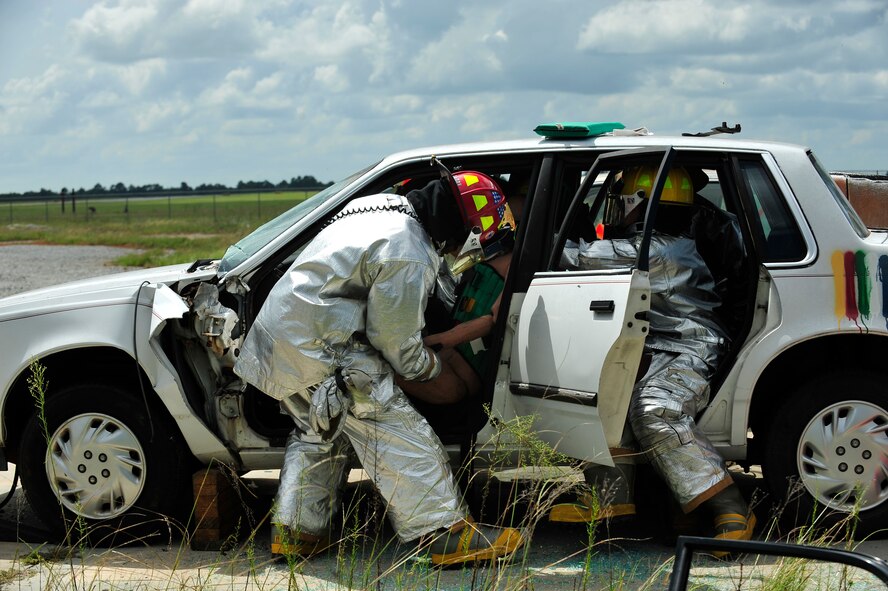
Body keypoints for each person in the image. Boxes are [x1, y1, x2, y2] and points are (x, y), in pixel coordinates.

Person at [233, 167, 524, 565]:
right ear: (462, 227)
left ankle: (298, 531)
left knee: (320, 432)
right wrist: (432, 369)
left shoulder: (379, 208)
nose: (461, 252)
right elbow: (396, 342)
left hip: (279, 344)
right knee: (397, 428)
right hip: (326, 349)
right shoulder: (409, 250)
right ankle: (442, 533)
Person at [549, 166, 755, 550]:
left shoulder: (656, 250)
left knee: (655, 409)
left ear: (640, 205)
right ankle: (611, 497)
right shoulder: (663, 243)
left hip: (691, 346)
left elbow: (574, 258)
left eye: (623, 203)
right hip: (659, 344)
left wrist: (519, 235)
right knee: (611, 395)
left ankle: (731, 508)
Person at [398, 190, 524, 405]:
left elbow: (495, 318)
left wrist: (439, 340)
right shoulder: (479, 258)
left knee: (451, 390)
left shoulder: (517, 264)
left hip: (468, 362)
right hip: (454, 350)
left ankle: (377, 370)